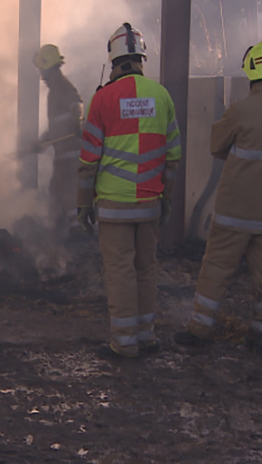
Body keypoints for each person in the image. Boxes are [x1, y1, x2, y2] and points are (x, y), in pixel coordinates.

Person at [174, 42, 262, 351]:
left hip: (234, 209)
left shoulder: (240, 110)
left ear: (251, 71)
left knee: (216, 267)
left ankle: (200, 329)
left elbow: (217, 146)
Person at [77, 23, 181, 358]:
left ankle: (124, 344)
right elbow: (173, 156)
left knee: (120, 271)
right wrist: (166, 199)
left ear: (113, 59)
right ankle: (147, 336)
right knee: (146, 269)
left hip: (114, 206)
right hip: (150, 204)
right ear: (141, 58)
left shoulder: (102, 99)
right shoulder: (162, 95)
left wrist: (82, 205)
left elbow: (88, 160)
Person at [33, 44, 84, 235]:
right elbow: (55, 128)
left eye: (44, 72)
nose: (42, 77)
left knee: (69, 192)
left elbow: (77, 104)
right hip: (61, 155)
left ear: (54, 69)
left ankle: (78, 232)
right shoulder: (53, 94)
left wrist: (77, 120)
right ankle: (58, 232)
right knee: (55, 192)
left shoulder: (64, 87)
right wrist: (41, 142)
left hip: (72, 155)